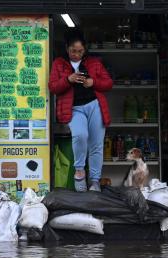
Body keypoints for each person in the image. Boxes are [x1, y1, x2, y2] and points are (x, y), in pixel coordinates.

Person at [49, 29, 113, 192]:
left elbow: (108, 83)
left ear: (85, 50)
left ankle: (95, 181)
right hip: (74, 108)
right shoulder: (59, 63)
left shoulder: (94, 62)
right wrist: (68, 79)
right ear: (66, 48)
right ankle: (79, 172)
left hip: (94, 105)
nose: (76, 54)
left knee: (96, 144)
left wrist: (93, 82)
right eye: (73, 51)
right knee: (80, 135)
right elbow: (53, 87)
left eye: (80, 51)